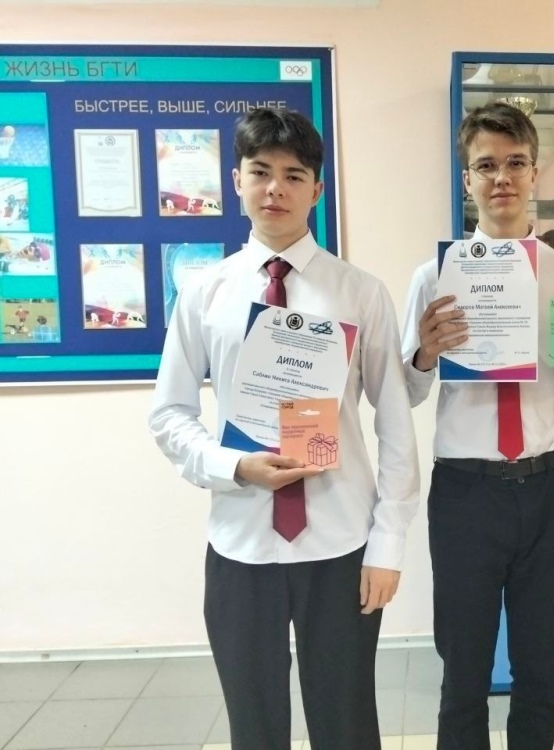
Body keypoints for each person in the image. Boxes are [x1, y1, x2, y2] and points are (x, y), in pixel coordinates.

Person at [148, 106, 420, 750]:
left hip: (340, 542)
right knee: (254, 724)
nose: (276, 188)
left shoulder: (360, 292)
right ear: (236, 180)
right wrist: (233, 466)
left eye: (294, 175)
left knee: (347, 723)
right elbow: (169, 414)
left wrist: (387, 544)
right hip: (241, 543)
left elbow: (395, 422)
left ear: (317, 189)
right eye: (261, 172)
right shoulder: (205, 293)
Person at [401, 101, 554, 750]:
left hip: (548, 487)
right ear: (467, 179)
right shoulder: (435, 278)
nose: (502, 178)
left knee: (540, 671)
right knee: (463, 673)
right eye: (486, 165)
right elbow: (408, 391)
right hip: (466, 492)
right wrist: (425, 354)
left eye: (515, 163)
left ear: (535, 173)